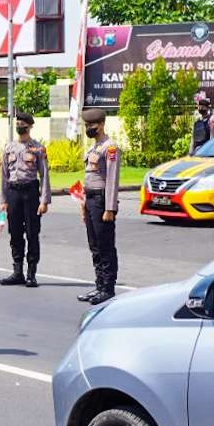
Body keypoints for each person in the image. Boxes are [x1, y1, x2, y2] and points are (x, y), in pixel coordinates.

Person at [0, 112, 51, 288]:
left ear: (30, 126)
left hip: (30, 192)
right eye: (18, 123)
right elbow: (4, 175)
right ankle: (17, 271)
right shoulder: (9, 148)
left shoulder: (38, 149)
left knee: (32, 232)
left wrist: (44, 201)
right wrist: (3, 199)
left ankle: (31, 274)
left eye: (23, 123)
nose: (20, 125)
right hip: (14, 193)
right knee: (15, 232)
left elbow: (44, 175)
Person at [79, 109, 121, 306]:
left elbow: (112, 179)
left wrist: (110, 208)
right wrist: (83, 203)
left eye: (92, 126)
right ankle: (99, 284)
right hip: (90, 200)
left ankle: (108, 287)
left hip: (102, 200)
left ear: (102, 124)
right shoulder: (93, 148)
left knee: (105, 245)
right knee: (94, 245)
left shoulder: (109, 148)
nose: (89, 129)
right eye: (87, 126)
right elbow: (89, 177)